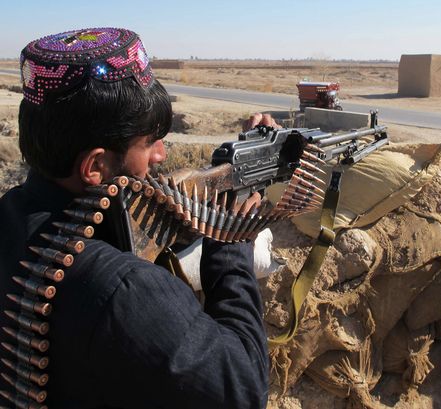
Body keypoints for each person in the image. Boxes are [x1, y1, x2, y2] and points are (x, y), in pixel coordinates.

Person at [0, 28, 269, 408]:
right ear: (95, 166)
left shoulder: (12, 218)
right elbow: (243, 390)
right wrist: (229, 249)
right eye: (148, 142)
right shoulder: (126, 291)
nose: (160, 155)